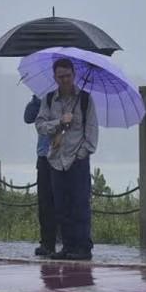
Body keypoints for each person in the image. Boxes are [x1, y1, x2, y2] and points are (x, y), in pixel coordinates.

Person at [35, 57, 98, 260]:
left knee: (80, 205)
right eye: (60, 76)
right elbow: (40, 125)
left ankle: (83, 247)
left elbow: (91, 132)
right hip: (55, 159)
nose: (65, 80)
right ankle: (68, 246)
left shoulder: (86, 100)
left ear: (74, 75)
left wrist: (82, 153)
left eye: (68, 76)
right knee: (60, 207)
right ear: (55, 77)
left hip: (77, 160)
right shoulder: (48, 99)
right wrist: (59, 122)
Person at [24, 94, 57, 257]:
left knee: (65, 202)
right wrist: (38, 100)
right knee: (45, 203)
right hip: (44, 155)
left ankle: (68, 242)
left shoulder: (73, 99)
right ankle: (47, 243)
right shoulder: (43, 97)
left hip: (65, 155)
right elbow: (28, 117)